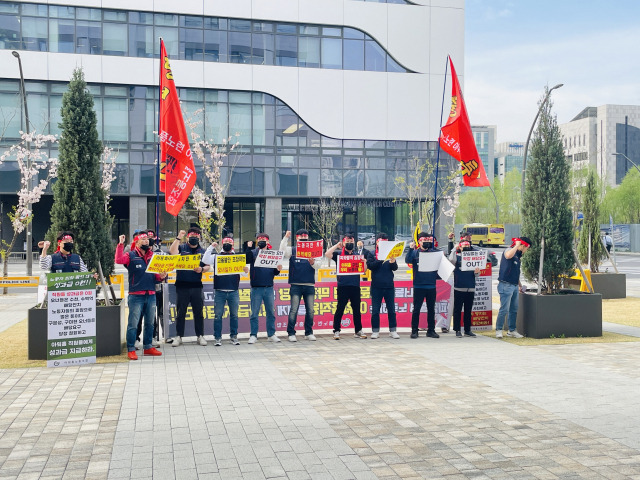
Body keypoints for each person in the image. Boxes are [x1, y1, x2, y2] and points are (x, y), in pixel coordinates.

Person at [115, 231, 165, 360]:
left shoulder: (152, 256)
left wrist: (162, 276)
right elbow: (118, 260)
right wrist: (120, 244)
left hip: (151, 293)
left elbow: (156, 278)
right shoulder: (130, 255)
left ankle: (148, 346)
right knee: (133, 323)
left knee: (149, 323)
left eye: (147, 239)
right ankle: (131, 348)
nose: (146, 241)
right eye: (143, 239)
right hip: (136, 295)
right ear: (136, 242)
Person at [202, 235, 248, 346]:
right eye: (226, 242)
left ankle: (234, 336)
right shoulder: (217, 256)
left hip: (233, 291)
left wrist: (245, 270)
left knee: (234, 315)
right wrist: (211, 247)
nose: (228, 244)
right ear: (223, 244)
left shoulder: (237, 257)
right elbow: (204, 260)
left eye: (230, 242)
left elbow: (243, 272)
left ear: (233, 245)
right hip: (219, 291)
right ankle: (217, 337)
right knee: (218, 315)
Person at [170, 227, 210, 347]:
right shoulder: (181, 248)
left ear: (199, 238)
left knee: (198, 312)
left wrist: (202, 269)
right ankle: (179, 336)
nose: (194, 238)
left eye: (196, 236)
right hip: (182, 285)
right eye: (192, 236)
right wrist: (178, 238)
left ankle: (200, 336)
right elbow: (172, 252)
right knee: (181, 312)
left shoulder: (203, 251)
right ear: (187, 237)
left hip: (197, 286)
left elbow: (208, 265)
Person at [280, 229, 321, 342]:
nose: (303, 239)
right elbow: (282, 251)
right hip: (296, 285)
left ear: (308, 238)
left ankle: (308, 332)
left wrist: (313, 263)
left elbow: (318, 265)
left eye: (305, 237)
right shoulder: (292, 250)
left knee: (311, 310)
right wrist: (285, 238)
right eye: (301, 237)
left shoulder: (314, 250)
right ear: (297, 238)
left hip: (309, 285)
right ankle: (291, 333)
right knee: (294, 309)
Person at [326, 234, 367, 340]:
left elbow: (364, 270)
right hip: (343, 286)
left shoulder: (357, 255)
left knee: (357, 309)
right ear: (343, 243)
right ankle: (336, 330)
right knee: (340, 308)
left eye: (351, 241)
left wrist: (364, 263)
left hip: (355, 286)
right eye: (347, 241)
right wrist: (336, 245)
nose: (350, 243)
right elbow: (327, 254)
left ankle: (358, 330)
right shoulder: (339, 255)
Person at [246, 233, 283, 344]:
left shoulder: (273, 254)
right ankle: (253, 335)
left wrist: (278, 269)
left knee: (270, 313)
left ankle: (271, 334)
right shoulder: (253, 253)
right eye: (259, 239)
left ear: (268, 242)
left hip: (269, 288)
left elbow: (275, 272)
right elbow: (246, 259)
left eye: (264, 240)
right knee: (254, 313)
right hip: (256, 288)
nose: (261, 241)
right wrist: (248, 247)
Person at [405, 232, 441, 339]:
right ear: (419, 242)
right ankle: (414, 331)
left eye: (428, 241)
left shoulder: (434, 252)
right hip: (419, 285)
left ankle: (431, 330)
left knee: (431, 309)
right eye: (424, 241)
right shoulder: (415, 253)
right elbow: (407, 260)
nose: (426, 243)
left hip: (431, 285)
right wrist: (410, 249)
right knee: (416, 309)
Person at [495, 237, 532, 339]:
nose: (526, 251)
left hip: (514, 285)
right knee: (504, 309)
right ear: (522, 245)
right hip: (505, 284)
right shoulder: (510, 250)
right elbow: (507, 255)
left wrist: (520, 286)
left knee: (514, 309)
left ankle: (512, 330)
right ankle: (498, 330)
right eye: (526, 248)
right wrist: (516, 245)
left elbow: (516, 272)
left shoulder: (518, 256)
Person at [367, 233, 400, 339]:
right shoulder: (372, 253)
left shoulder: (391, 254)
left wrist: (392, 261)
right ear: (377, 242)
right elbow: (370, 266)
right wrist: (380, 259)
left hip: (389, 286)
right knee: (375, 310)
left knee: (391, 310)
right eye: (381, 242)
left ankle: (393, 330)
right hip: (376, 286)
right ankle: (375, 331)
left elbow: (394, 268)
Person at [449, 239, 480, 338]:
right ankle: (457, 330)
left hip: (470, 287)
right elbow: (450, 260)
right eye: (463, 246)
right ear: (460, 248)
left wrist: (477, 272)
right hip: (459, 287)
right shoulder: (457, 258)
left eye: (467, 246)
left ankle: (467, 330)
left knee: (468, 310)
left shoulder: (474, 258)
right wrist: (454, 248)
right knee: (457, 310)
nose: (465, 248)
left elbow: (477, 274)